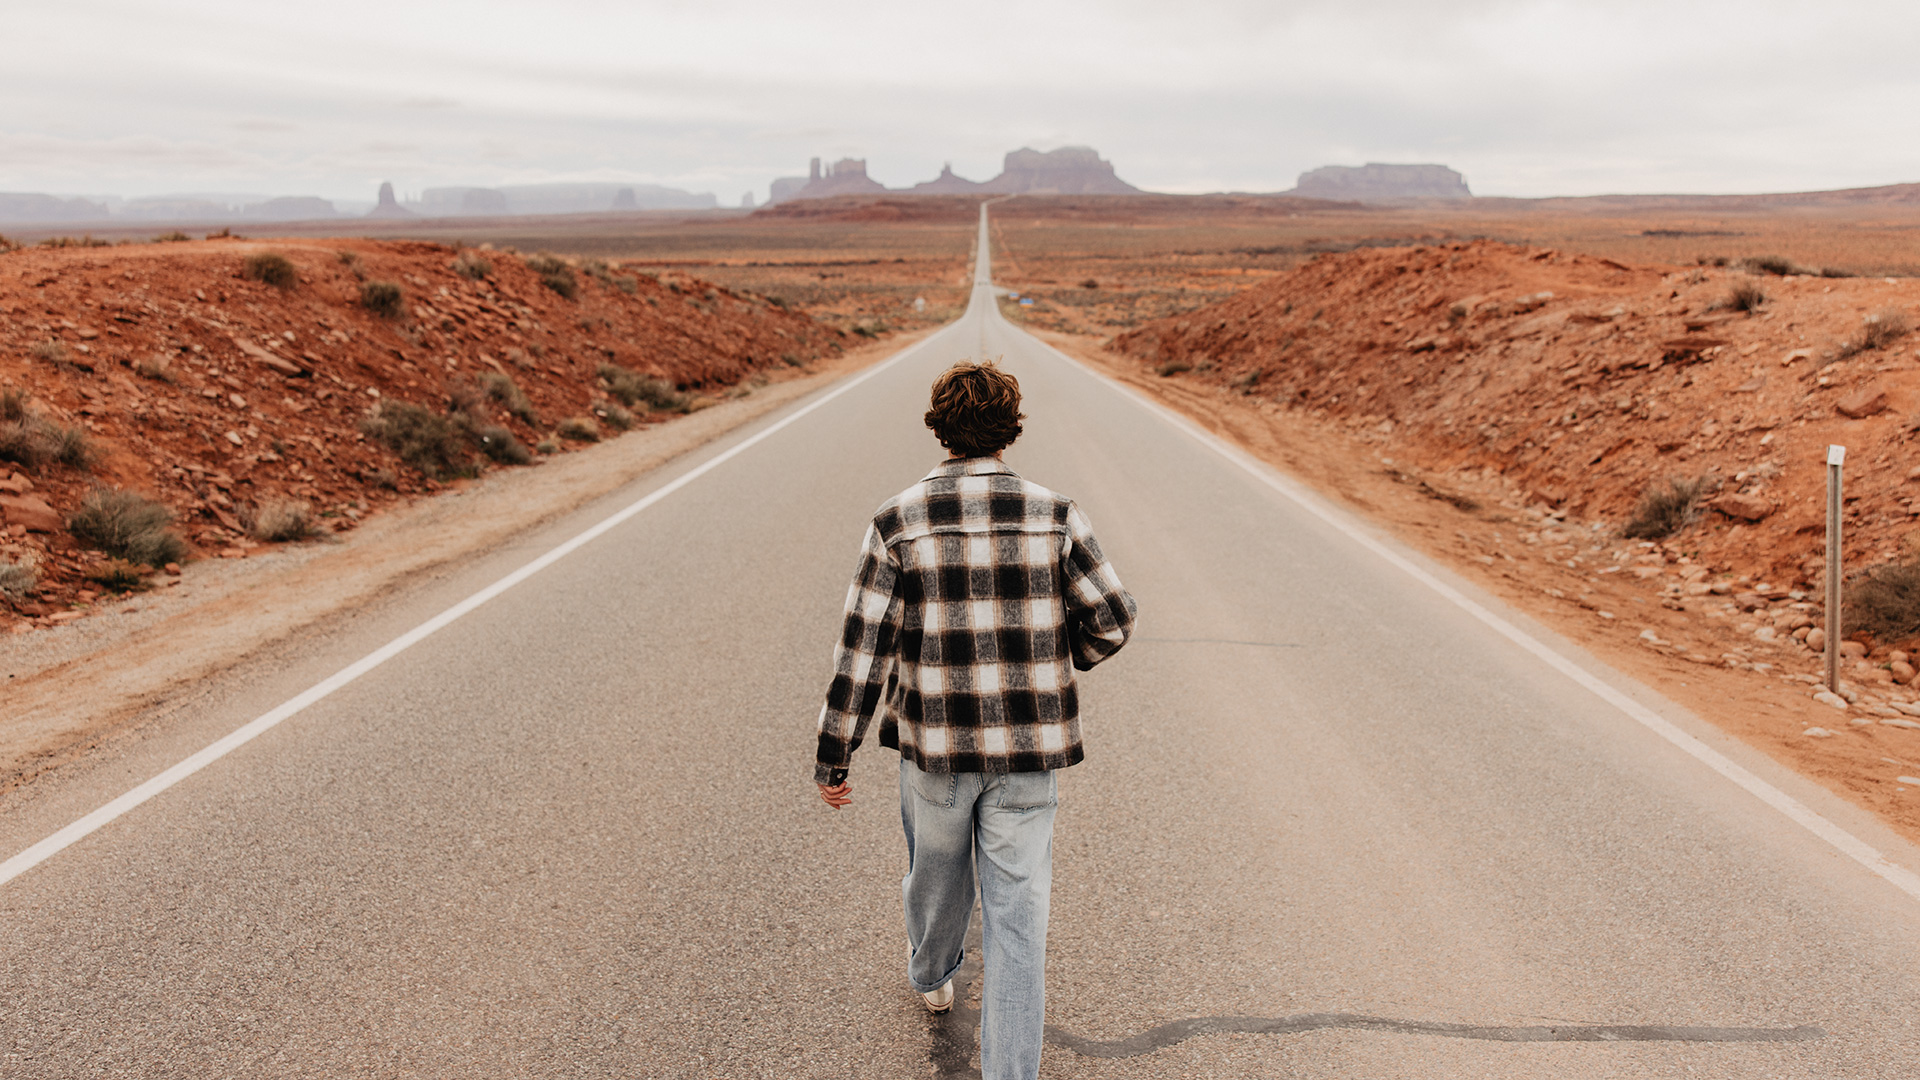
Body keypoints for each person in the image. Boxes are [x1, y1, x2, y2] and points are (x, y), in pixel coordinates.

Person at [812, 360, 1138, 1080]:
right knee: (1020, 923)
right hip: (1029, 753)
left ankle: (932, 972)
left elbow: (861, 648)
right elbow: (1113, 619)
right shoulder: (1055, 513)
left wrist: (835, 755)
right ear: (1010, 429)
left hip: (937, 749)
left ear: (940, 427)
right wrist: (1057, 660)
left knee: (935, 880)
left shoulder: (899, 519)